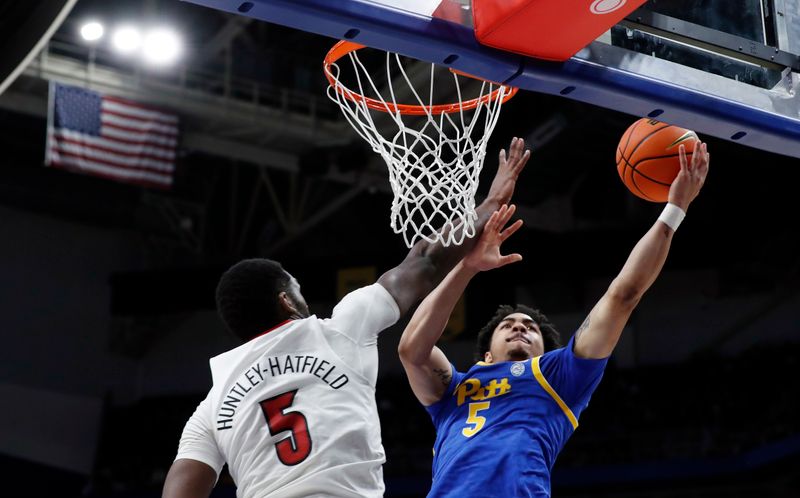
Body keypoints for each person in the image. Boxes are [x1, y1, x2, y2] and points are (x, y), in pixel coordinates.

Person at [161, 138, 532, 498]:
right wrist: (492, 204)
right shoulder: (339, 329)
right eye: (299, 292)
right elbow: (424, 262)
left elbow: (182, 489)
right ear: (287, 303)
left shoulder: (212, 405)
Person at [398, 143, 710, 497]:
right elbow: (412, 350)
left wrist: (675, 209)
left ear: (546, 352)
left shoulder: (559, 376)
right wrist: (467, 267)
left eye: (531, 328)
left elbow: (623, 295)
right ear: (485, 356)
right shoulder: (453, 391)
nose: (520, 327)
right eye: (509, 325)